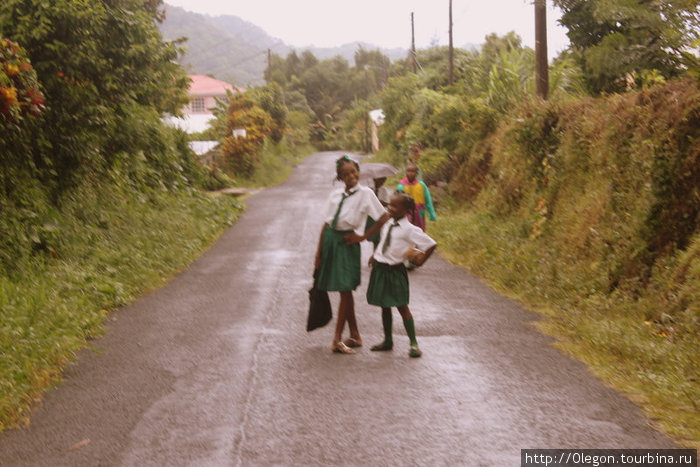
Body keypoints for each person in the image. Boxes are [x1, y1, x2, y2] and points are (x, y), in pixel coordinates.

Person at [315, 155, 390, 354]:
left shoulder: (366, 194)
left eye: (354, 172)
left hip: (347, 243)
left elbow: (383, 217)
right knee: (343, 291)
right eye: (346, 174)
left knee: (346, 289)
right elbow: (326, 224)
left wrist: (363, 237)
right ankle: (355, 334)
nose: (351, 176)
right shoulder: (335, 196)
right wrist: (318, 254)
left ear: (359, 171)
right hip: (331, 241)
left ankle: (337, 339)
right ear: (340, 177)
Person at [366, 193, 437, 358]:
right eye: (390, 205)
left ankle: (413, 343)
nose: (390, 208)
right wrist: (375, 255)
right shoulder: (388, 223)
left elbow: (431, 244)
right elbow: (384, 242)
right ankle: (388, 340)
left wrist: (421, 260)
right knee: (384, 305)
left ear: (406, 210)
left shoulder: (410, 230)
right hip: (380, 268)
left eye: (395, 206)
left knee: (402, 306)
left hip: (395, 271)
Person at [397, 163, 436, 231]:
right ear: (405, 172)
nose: (410, 173)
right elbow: (398, 201)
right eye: (408, 171)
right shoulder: (401, 186)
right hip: (407, 212)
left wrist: (431, 214)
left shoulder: (421, 185)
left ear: (417, 173)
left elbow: (428, 199)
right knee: (407, 230)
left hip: (419, 212)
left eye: (413, 171)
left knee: (419, 229)